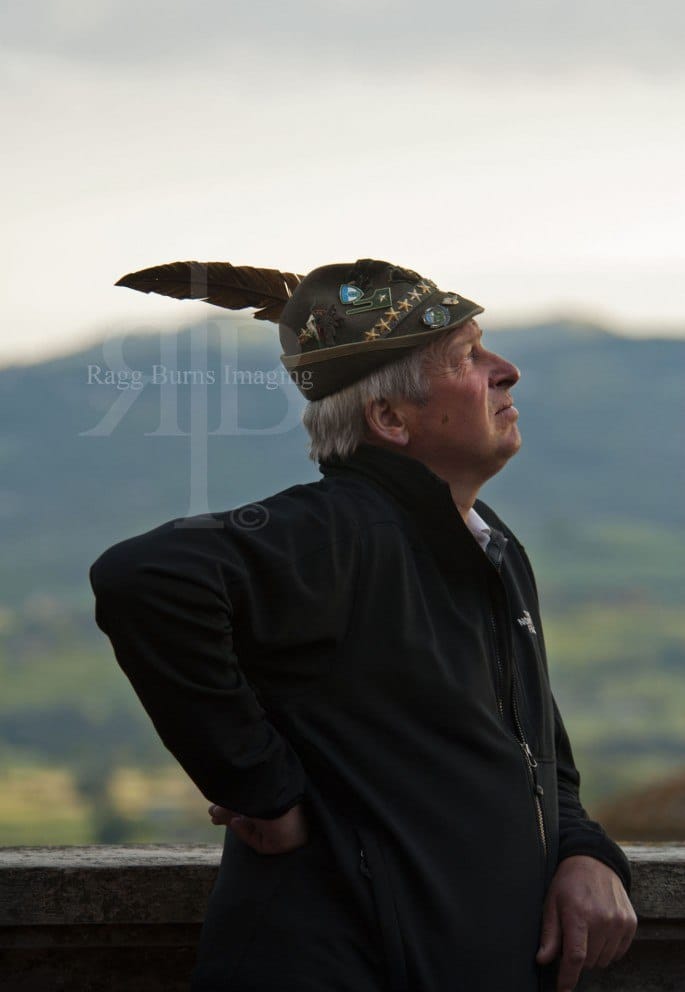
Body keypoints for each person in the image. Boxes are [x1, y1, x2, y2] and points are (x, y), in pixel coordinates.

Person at [90, 258, 637, 992]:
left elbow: (535, 753)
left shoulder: (487, 543)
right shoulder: (341, 529)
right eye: (465, 358)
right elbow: (144, 577)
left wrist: (584, 850)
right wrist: (261, 787)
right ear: (388, 419)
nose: (504, 371)